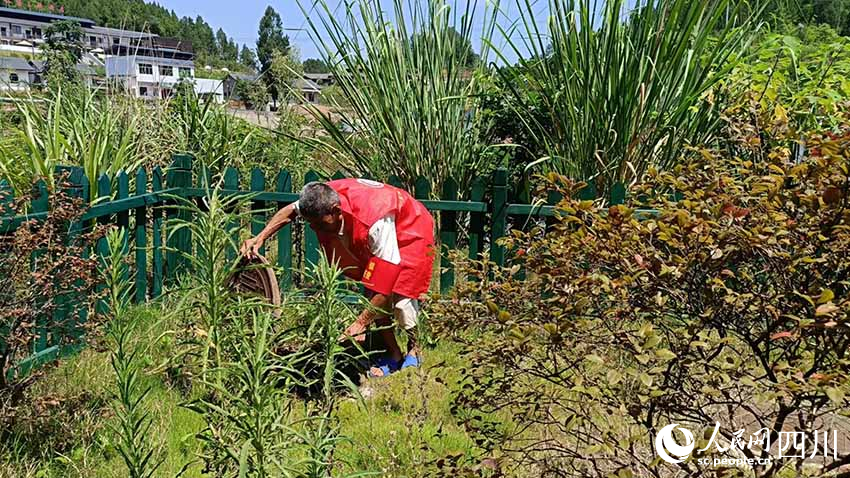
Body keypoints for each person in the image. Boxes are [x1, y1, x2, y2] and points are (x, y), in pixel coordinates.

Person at [241, 178, 435, 377]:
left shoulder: (376, 223)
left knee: (402, 298)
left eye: (318, 223)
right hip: (371, 222)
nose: (315, 229)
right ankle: (393, 354)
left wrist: (360, 323)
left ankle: (415, 348)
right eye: (310, 223)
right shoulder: (319, 199)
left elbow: (384, 287)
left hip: (409, 228)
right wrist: (260, 237)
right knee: (371, 292)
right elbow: (291, 210)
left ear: (335, 211)